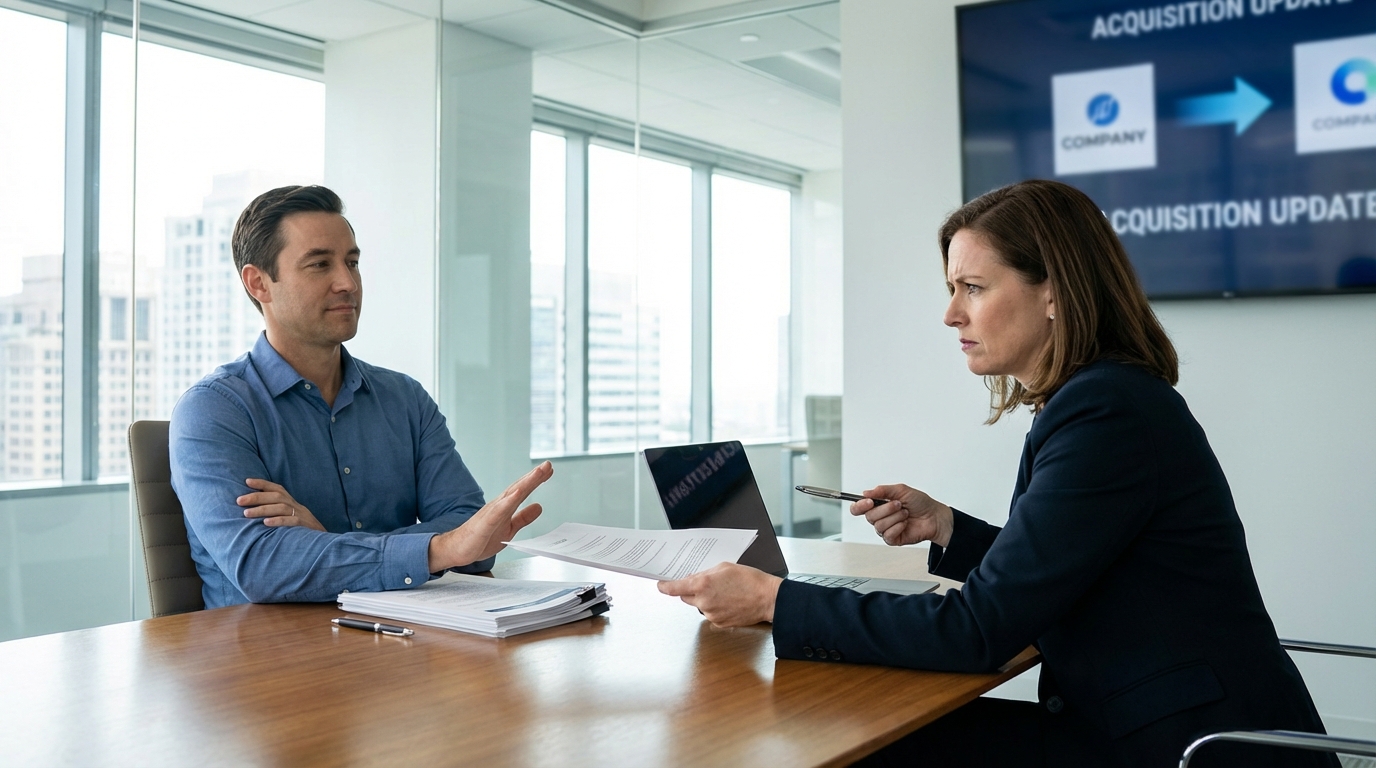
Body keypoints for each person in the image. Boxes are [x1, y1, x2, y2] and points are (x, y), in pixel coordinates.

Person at [658, 180, 1332, 767]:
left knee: (856, 741)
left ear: (1054, 294)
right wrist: (946, 527)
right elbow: (1068, 568)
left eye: (973, 289)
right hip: (1144, 720)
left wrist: (775, 601)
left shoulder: (1106, 414)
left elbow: (977, 632)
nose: (951, 314)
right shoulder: (1105, 399)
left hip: (1175, 745)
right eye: (953, 290)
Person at [170, 185, 550, 609]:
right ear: (259, 283)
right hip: (266, 660)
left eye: (352, 262)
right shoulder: (214, 410)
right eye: (319, 264)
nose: (347, 283)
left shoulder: (404, 399)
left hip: (398, 643)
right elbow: (262, 566)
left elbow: (474, 536)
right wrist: (438, 550)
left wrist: (326, 544)